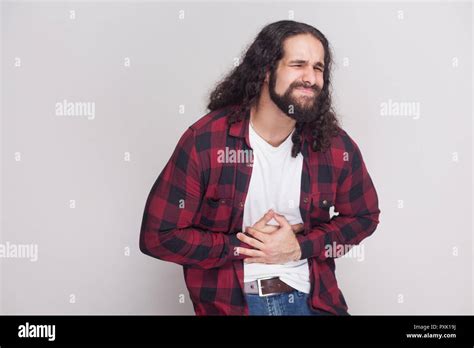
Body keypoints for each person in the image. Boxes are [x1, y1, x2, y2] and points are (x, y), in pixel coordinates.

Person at [139, 20, 380, 316]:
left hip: (314, 300)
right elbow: (159, 236)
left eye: (318, 68)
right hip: (237, 303)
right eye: (298, 65)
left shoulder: (333, 145)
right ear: (266, 71)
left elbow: (364, 216)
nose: (311, 78)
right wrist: (242, 247)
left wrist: (299, 247)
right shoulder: (207, 142)